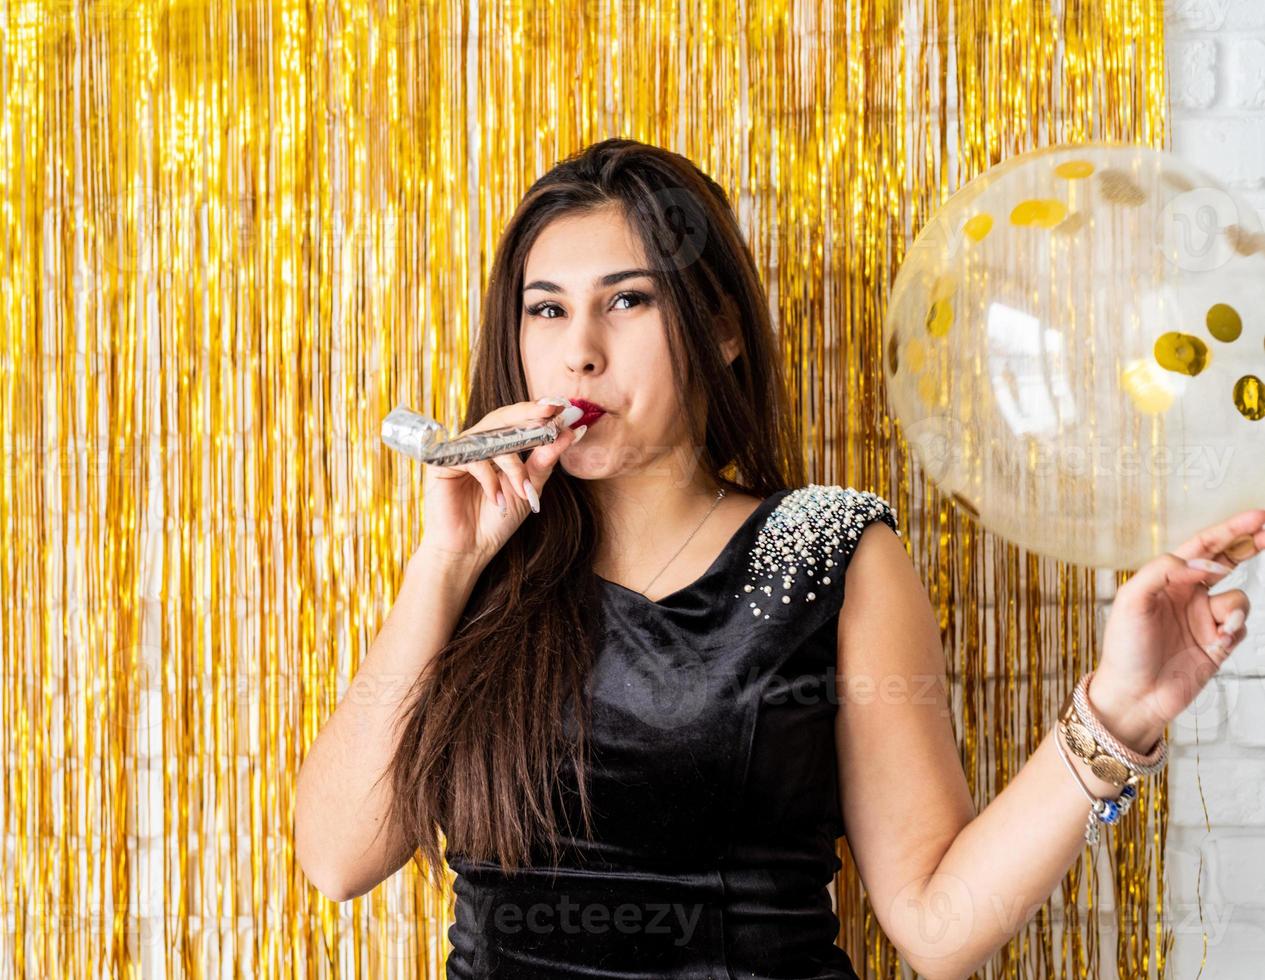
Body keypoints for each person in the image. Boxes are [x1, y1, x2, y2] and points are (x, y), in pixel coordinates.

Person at [294, 138, 1261, 979]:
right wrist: (446, 561)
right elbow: (338, 858)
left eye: (625, 300)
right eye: (545, 311)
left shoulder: (828, 549)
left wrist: (1119, 713)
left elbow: (935, 926)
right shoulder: (479, 570)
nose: (578, 353)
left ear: (718, 330)